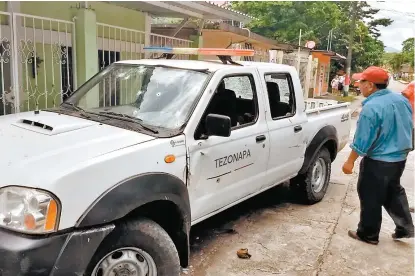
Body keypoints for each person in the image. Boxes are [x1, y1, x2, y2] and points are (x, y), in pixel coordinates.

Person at [342, 66, 414, 245]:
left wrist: (349, 162)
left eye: (361, 82)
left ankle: (368, 234)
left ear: (371, 85)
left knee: (370, 195)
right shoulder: (401, 100)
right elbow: (409, 126)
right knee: (393, 191)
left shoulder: (371, 108)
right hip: (399, 158)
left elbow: (362, 141)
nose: (358, 85)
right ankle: (405, 227)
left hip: (379, 161)